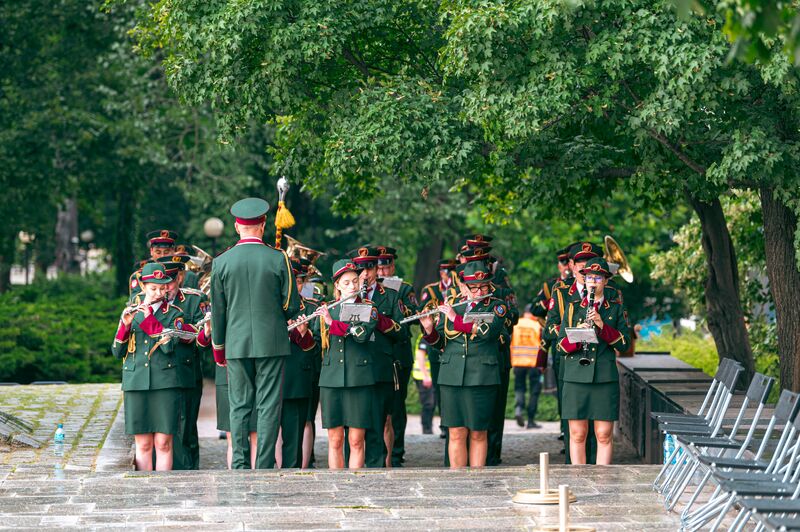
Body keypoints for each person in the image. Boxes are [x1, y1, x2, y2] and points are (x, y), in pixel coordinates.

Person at [210, 197, 302, 469]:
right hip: (272, 342)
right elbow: (291, 305)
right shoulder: (278, 258)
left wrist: (219, 347)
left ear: (237, 226)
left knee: (238, 406)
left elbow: (218, 312)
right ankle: (263, 464)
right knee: (268, 405)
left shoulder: (221, 262)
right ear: (263, 225)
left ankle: (239, 464)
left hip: (236, 344)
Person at [112, 262, 209, 471]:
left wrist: (148, 320)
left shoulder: (175, 314)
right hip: (136, 383)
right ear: (143, 286)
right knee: (143, 444)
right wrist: (125, 326)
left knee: (163, 443)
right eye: (153, 288)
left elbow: (169, 346)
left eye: (162, 287)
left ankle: (163, 490)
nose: (158, 292)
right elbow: (117, 351)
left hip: (166, 384)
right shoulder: (131, 309)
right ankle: (144, 490)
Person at [419, 259, 511, 468]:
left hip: (482, 374)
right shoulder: (454, 305)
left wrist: (453, 317)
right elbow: (441, 343)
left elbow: (487, 333)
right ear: (463, 286)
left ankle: (477, 479)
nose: (479, 291)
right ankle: (457, 478)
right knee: (456, 431)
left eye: (483, 286)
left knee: (478, 431)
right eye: (474, 287)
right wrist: (429, 330)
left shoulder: (497, 306)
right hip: (452, 375)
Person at [556, 257, 631, 465]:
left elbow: (624, 345)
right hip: (575, 376)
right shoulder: (572, 308)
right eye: (589, 277)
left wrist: (601, 326)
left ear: (605, 281)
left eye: (598, 277)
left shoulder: (615, 308)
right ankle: (579, 480)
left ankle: (603, 483)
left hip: (604, 377)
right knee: (577, 434)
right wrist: (577, 337)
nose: (593, 281)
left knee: (604, 434)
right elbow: (559, 346)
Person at [317, 259, 379, 469]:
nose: (352, 286)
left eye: (355, 281)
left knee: (356, 439)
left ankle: (355, 486)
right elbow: (316, 341)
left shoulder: (368, 308)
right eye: (346, 283)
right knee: (334, 440)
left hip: (359, 379)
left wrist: (332, 324)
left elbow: (361, 335)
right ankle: (336, 484)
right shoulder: (327, 309)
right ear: (337, 285)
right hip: (331, 378)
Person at [348, 246, 404, 468]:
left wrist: (377, 318)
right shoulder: (348, 296)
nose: (365, 274)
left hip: (379, 366)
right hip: (353, 367)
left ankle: (378, 465)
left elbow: (401, 331)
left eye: (369, 268)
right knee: (354, 423)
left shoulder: (390, 295)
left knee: (379, 420)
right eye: (360, 269)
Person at [376, 245, 418, 467]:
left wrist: (397, 302)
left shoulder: (405, 288)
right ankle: (376, 451)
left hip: (399, 351)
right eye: (379, 267)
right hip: (378, 350)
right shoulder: (368, 288)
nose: (383, 272)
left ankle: (397, 452)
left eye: (387, 267)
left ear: (393, 266)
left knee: (396, 405)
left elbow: (414, 315)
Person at [279, 258, 320, 468]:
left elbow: (319, 346)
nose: (295, 285)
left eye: (300, 280)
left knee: (296, 430)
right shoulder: (269, 304)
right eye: (290, 280)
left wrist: (303, 336)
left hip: (297, 377)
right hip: (271, 374)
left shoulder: (313, 307)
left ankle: (295, 470)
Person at [419, 258, 459, 438]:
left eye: (450, 271)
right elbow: (423, 311)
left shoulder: (458, 289)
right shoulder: (431, 290)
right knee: (438, 387)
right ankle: (444, 423)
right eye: (444, 271)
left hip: (453, 341)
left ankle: (451, 423)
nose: (447, 274)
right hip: (436, 345)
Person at [511, 304, 544, 429]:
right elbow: (543, 345)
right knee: (534, 392)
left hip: (518, 362)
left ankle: (519, 409)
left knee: (520, 388)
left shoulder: (516, 324)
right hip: (535, 363)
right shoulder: (538, 326)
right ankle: (530, 420)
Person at [129, 230, 178, 300]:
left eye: (166, 252)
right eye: (158, 252)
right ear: (151, 251)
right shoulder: (141, 275)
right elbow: (135, 300)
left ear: (173, 251)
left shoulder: (180, 271)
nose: (162, 256)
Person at [413, 336, 436, 434]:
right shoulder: (425, 337)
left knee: (433, 403)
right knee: (428, 404)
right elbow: (420, 356)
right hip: (423, 376)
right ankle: (426, 430)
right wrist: (425, 376)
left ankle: (429, 428)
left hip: (429, 376)